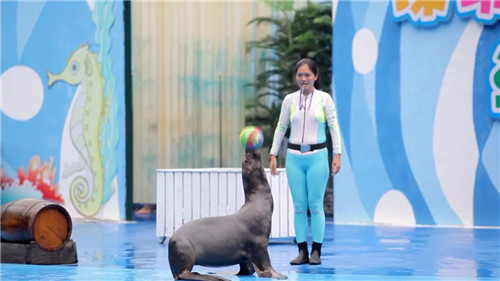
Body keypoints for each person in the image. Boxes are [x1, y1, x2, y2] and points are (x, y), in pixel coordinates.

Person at [269, 58, 342, 265]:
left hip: (317, 157)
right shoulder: (289, 100)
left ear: (315, 76)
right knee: (299, 206)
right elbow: (281, 127)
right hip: (294, 158)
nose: (303, 79)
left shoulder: (324, 99)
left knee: (315, 205)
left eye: (307, 75)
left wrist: (337, 154)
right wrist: (274, 154)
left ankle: (316, 251)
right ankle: (302, 251)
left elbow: (334, 127)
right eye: (300, 75)